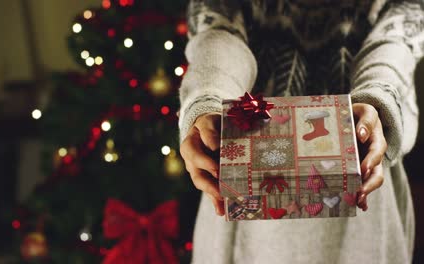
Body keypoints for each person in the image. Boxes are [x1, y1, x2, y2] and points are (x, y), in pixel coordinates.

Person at [178, 0, 421, 263]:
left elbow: (399, 24)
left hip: (360, 164)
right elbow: (220, 25)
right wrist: (208, 97)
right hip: (244, 162)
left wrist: (378, 95)